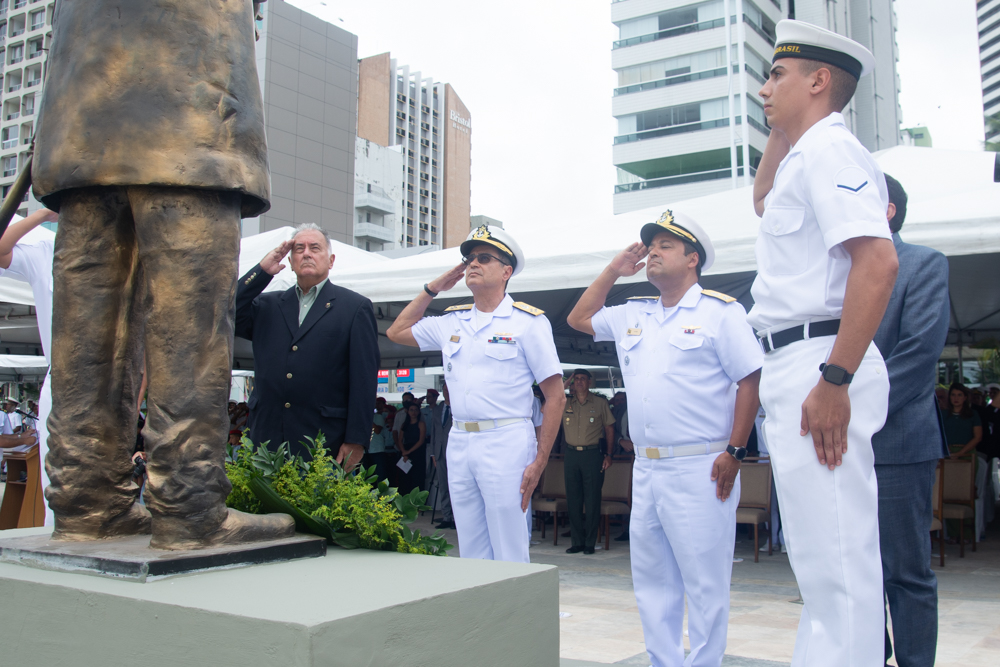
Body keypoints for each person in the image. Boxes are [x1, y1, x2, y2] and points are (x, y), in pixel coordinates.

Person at [34, 1, 294, 548]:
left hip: (82, 123)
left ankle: (86, 503)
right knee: (191, 325)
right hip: (189, 118)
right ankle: (188, 507)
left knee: (87, 327)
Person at [748, 20, 899, 665]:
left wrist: (836, 379)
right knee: (818, 563)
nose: (764, 89)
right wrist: (783, 126)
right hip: (799, 361)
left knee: (838, 561)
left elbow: (878, 263)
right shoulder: (804, 154)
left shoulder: (833, 151)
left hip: (821, 361)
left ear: (818, 80)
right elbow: (762, 201)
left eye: (776, 75)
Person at [567, 210, 763, 667]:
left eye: (665, 246)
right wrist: (614, 270)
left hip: (701, 464)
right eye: (650, 246)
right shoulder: (635, 312)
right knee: (653, 580)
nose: (653, 252)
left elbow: (750, 381)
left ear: (693, 259)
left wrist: (735, 451)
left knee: (705, 581)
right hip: (648, 466)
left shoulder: (720, 312)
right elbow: (579, 317)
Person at [387, 224, 565, 563]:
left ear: (506, 271)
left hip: (506, 439)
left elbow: (555, 397)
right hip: (460, 440)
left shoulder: (528, 322)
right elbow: (397, 331)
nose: (473, 264)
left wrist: (540, 460)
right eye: (469, 258)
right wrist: (433, 288)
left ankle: (514, 600)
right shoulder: (452, 321)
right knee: (470, 545)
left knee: (509, 545)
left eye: (484, 258)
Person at [871, 173, 950, 667]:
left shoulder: (923, 263)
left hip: (896, 441)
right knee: (858, 573)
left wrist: (850, 410)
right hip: (837, 446)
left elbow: (918, 354)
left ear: (888, 211)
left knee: (905, 572)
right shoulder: (834, 271)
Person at [235, 223, 380, 468]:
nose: (306, 254)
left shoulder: (354, 308)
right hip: (267, 438)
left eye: (315, 248)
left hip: (324, 439)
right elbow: (228, 312)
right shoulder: (266, 306)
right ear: (290, 261)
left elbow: (364, 379)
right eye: (299, 249)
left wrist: (357, 439)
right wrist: (263, 271)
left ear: (331, 260)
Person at [0, 208, 60, 526]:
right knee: (57, 474)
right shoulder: (46, 249)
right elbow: (1, 249)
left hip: (115, 378)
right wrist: (43, 214)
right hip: (62, 375)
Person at [561, 368, 615, 555]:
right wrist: (563, 385)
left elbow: (609, 429)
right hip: (571, 454)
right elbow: (545, 409)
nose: (579, 382)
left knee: (592, 499)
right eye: (576, 379)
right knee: (573, 499)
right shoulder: (565, 401)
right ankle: (577, 542)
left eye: (583, 379)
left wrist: (609, 454)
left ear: (589, 382)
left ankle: (590, 543)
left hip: (592, 454)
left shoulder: (600, 403)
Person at [427, 384, 455, 530]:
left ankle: (456, 518)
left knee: (455, 486)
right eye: (444, 390)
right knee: (443, 486)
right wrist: (433, 453)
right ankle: (446, 516)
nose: (447, 392)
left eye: (449, 389)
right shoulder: (437, 409)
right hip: (439, 452)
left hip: (455, 452)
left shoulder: (458, 407)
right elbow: (434, 432)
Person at [397, 403, 427, 495]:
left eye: (415, 410)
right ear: (408, 412)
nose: (413, 412)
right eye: (411, 410)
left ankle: (417, 501)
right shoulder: (404, 424)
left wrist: (409, 451)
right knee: (404, 478)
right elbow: (400, 440)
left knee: (417, 477)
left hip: (417, 452)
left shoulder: (421, 424)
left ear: (419, 412)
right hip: (405, 451)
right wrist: (404, 451)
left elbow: (421, 440)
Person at [365, 397, 391, 481]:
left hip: (377, 450)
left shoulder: (378, 417)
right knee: (367, 475)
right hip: (366, 450)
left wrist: (369, 419)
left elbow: (377, 430)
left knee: (380, 474)